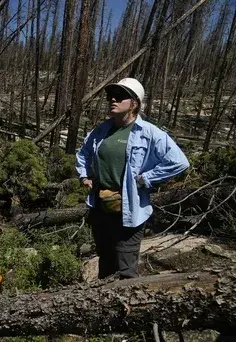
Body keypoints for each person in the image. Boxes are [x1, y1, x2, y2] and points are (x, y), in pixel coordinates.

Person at [76, 78, 189, 279]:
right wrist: (85, 176)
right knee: (106, 262)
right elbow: (83, 153)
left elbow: (179, 161)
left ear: (134, 103)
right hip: (101, 207)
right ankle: (100, 306)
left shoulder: (148, 133)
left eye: (120, 96)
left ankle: (130, 304)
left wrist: (146, 178)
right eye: (111, 96)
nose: (113, 99)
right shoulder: (101, 131)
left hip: (129, 209)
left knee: (126, 268)